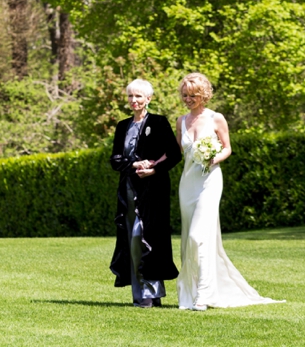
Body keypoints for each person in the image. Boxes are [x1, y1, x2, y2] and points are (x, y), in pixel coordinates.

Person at [176, 72, 284, 311]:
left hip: (209, 182)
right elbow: (177, 154)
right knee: (189, 241)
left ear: (202, 94)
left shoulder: (216, 118)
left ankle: (203, 296)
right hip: (187, 184)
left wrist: (213, 158)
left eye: (192, 95)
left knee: (198, 236)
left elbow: (227, 148)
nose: (188, 99)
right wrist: (151, 164)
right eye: (185, 95)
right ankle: (193, 290)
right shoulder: (181, 121)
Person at [109, 79, 181, 307]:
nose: (134, 100)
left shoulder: (159, 123)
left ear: (148, 99)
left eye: (139, 96)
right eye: (130, 96)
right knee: (132, 240)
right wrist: (134, 165)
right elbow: (115, 159)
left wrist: (153, 169)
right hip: (129, 192)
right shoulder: (122, 126)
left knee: (148, 239)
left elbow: (173, 154)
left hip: (154, 191)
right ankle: (143, 296)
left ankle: (152, 293)